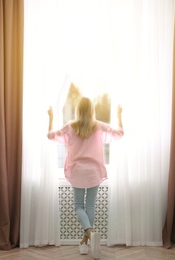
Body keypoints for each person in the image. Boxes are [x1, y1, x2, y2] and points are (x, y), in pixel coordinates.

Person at [47, 97, 124, 258]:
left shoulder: (70, 127)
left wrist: (51, 117)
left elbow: (51, 136)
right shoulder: (99, 126)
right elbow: (119, 134)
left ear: (78, 110)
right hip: (94, 172)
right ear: (92, 111)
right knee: (90, 207)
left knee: (78, 206)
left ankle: (88, 236)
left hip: (78, 172)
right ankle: (87, 240)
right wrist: (119, 115)